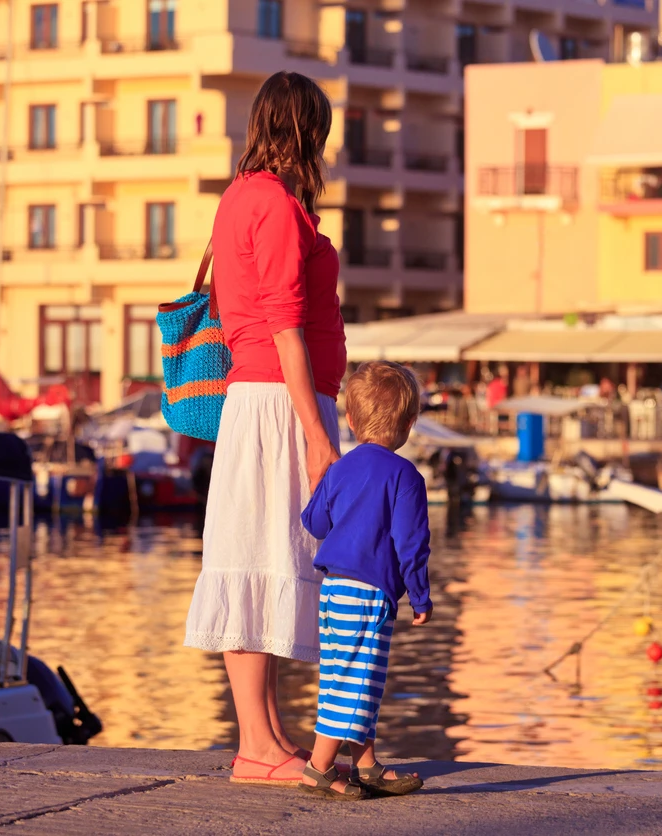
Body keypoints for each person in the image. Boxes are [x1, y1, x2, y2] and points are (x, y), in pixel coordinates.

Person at [183, 71, 347, 786]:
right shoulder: (276, 205)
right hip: (279, 401)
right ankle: (255, 747)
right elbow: (283, 323)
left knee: (267, 559)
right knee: (259, 559)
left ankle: (268, 738)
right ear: (306, 130)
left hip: (262, 399)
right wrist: (316, 433)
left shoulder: (239, 198)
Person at [298, 361, 432, 800]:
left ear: (350, 421)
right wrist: (420, 594)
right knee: (356, 677)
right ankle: (318, 767)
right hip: (370, 591)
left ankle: (365, 762)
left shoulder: (340, 470)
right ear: (409, 424)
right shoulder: (405, 477)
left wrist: (322, 484)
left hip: (334, 589)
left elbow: (315, 523)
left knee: (350, 672)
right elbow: (411, 543)